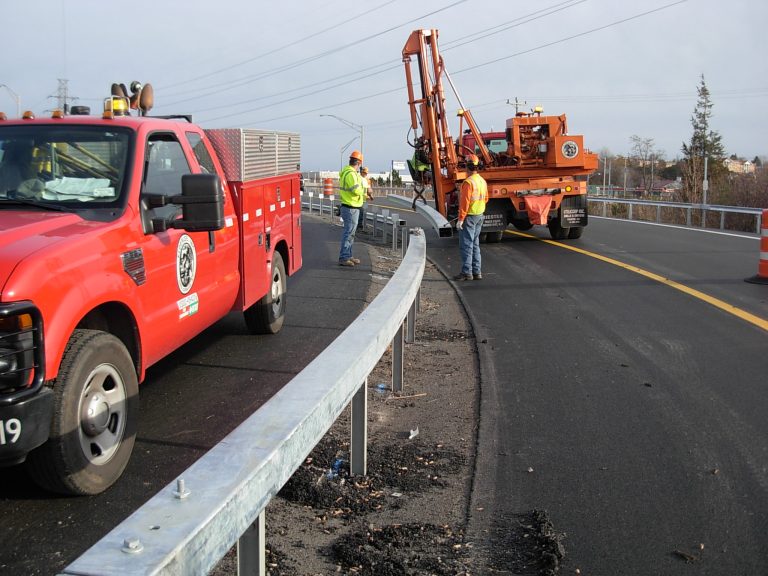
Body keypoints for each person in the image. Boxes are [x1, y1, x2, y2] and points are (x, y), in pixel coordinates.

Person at [455, 154, 487, 281]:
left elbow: (465, 203)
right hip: (479, 215)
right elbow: (486, 199)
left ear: (467, 167)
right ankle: (477, 272)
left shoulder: (468, 183)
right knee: (475, 244)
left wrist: (461, 219)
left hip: (469, 217)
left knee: (467, 245)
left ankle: (466, 273)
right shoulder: (482, 181)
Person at [338, 150, 365, 267]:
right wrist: (364, 191)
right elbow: (356, 189)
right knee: (349, 233)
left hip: (350, 206)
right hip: (350, 207)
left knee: (351, 233)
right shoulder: (351, 174)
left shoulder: (348, 173)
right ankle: (344, 257)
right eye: (360, 164)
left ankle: (348, 255)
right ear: (358, 163)